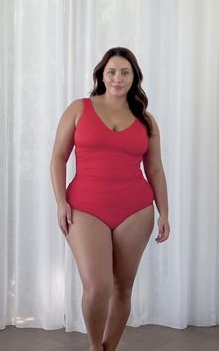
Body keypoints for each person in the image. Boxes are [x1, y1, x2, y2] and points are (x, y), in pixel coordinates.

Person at [50, 46, 170, 351]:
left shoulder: (147, 120)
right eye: (112, 71)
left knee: (123, 287)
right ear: (102, 75)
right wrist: (61, 201)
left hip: (136, 209)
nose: (118, 77)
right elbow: (58, 158)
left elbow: (155, 169)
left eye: (125, 72)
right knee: (97, 287)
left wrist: (164, 213)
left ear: (134, 77)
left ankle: (109, 348)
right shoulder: (79, 109)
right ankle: (95, 347)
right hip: (85, 208)